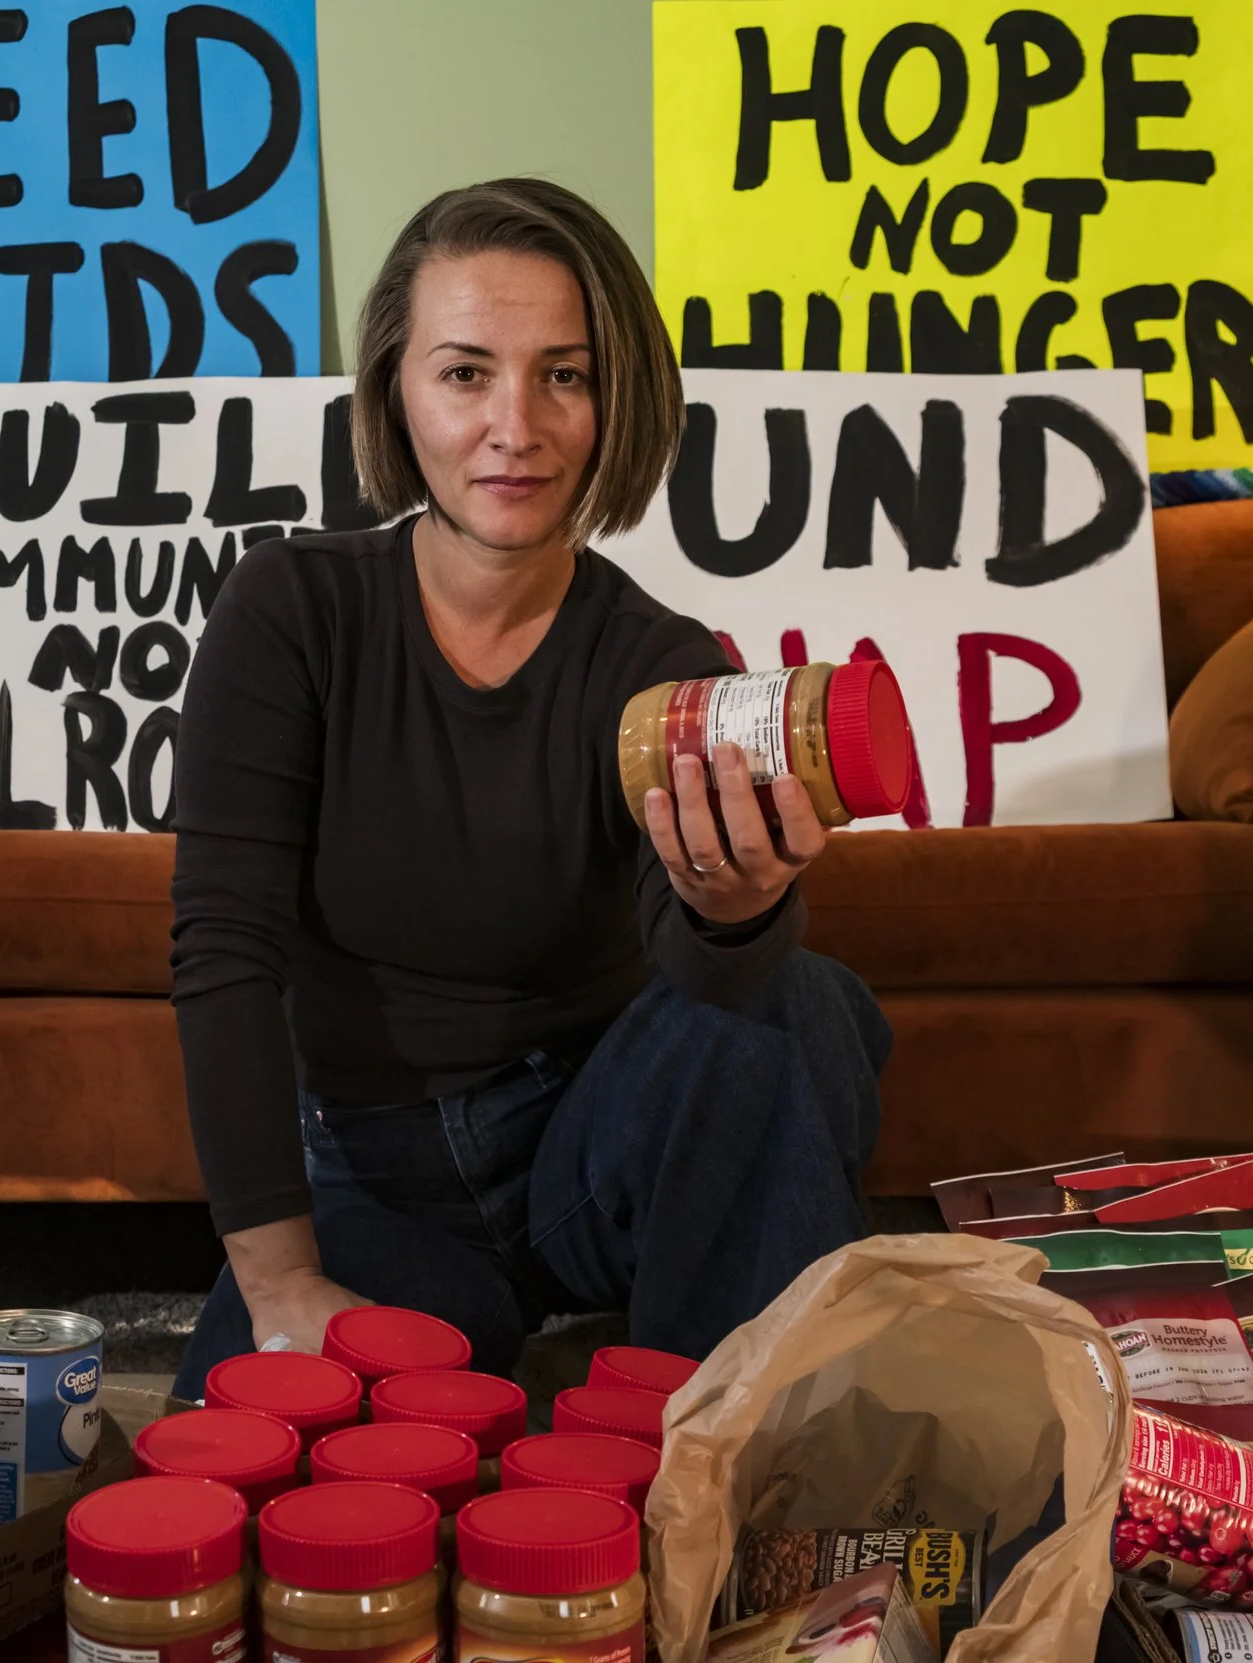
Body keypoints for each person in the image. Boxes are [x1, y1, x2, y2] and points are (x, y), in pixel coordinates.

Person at [168, 177, 891, 1395]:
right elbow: (221, 950)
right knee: (250, 1463)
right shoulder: (291, 609)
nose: (517, 425)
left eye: (565, 374)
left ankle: (729, 1440)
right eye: (465, 373)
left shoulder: (664, 663)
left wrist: (735, 908)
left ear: (616, 401)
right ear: (395, 390)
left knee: (801, 995)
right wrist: (281, 1286)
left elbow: (705, 982)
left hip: (584, 1153)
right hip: (369, 1176)